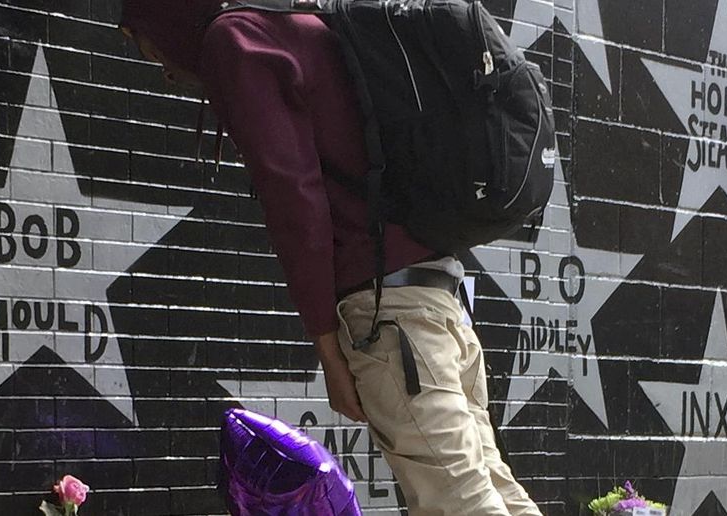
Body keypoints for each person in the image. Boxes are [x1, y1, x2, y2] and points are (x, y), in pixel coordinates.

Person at [119, 1, 542, 514]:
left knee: (460, 504)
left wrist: (328, 348)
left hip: (391, 313)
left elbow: (294, 199)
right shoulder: (301, 23)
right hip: (438, 299)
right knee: (491, 492)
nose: (159, 65)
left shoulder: (237, 40)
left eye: (143, 40)